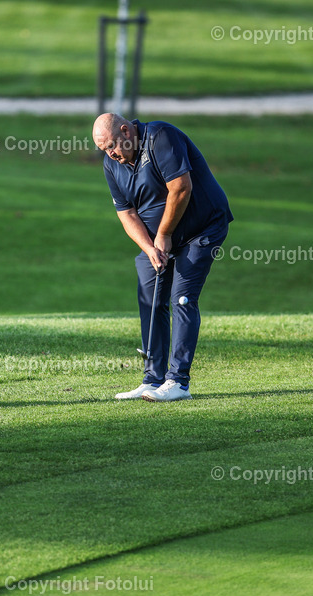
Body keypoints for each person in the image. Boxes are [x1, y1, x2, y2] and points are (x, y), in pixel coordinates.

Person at [92, 113, 233, 402]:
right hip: (158, 240)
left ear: (126, 130)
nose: (111, 153)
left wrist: (164, 234)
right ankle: (152, 378)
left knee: (181, 297)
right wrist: (149, 247)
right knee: (150, 297)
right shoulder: (112, 164)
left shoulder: (160, 138)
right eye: (104, 149)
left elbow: (181, 187)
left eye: (113, 146)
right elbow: (126, 213)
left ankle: (178, 382)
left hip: (201, 229)